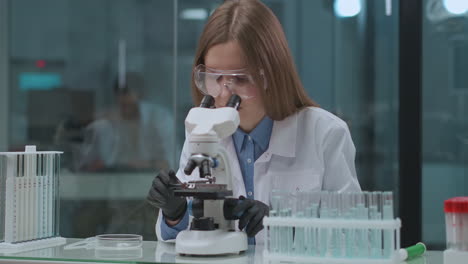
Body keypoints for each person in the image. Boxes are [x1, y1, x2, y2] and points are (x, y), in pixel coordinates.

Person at [147, 0, 361, 244]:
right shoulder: (203, 131)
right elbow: (179, 239)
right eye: (214, 78)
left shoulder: (325, 134)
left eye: (240, 79)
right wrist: (175, 214)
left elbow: (354, 238)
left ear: (271, 74)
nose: (225, 94)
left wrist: (283, 226)